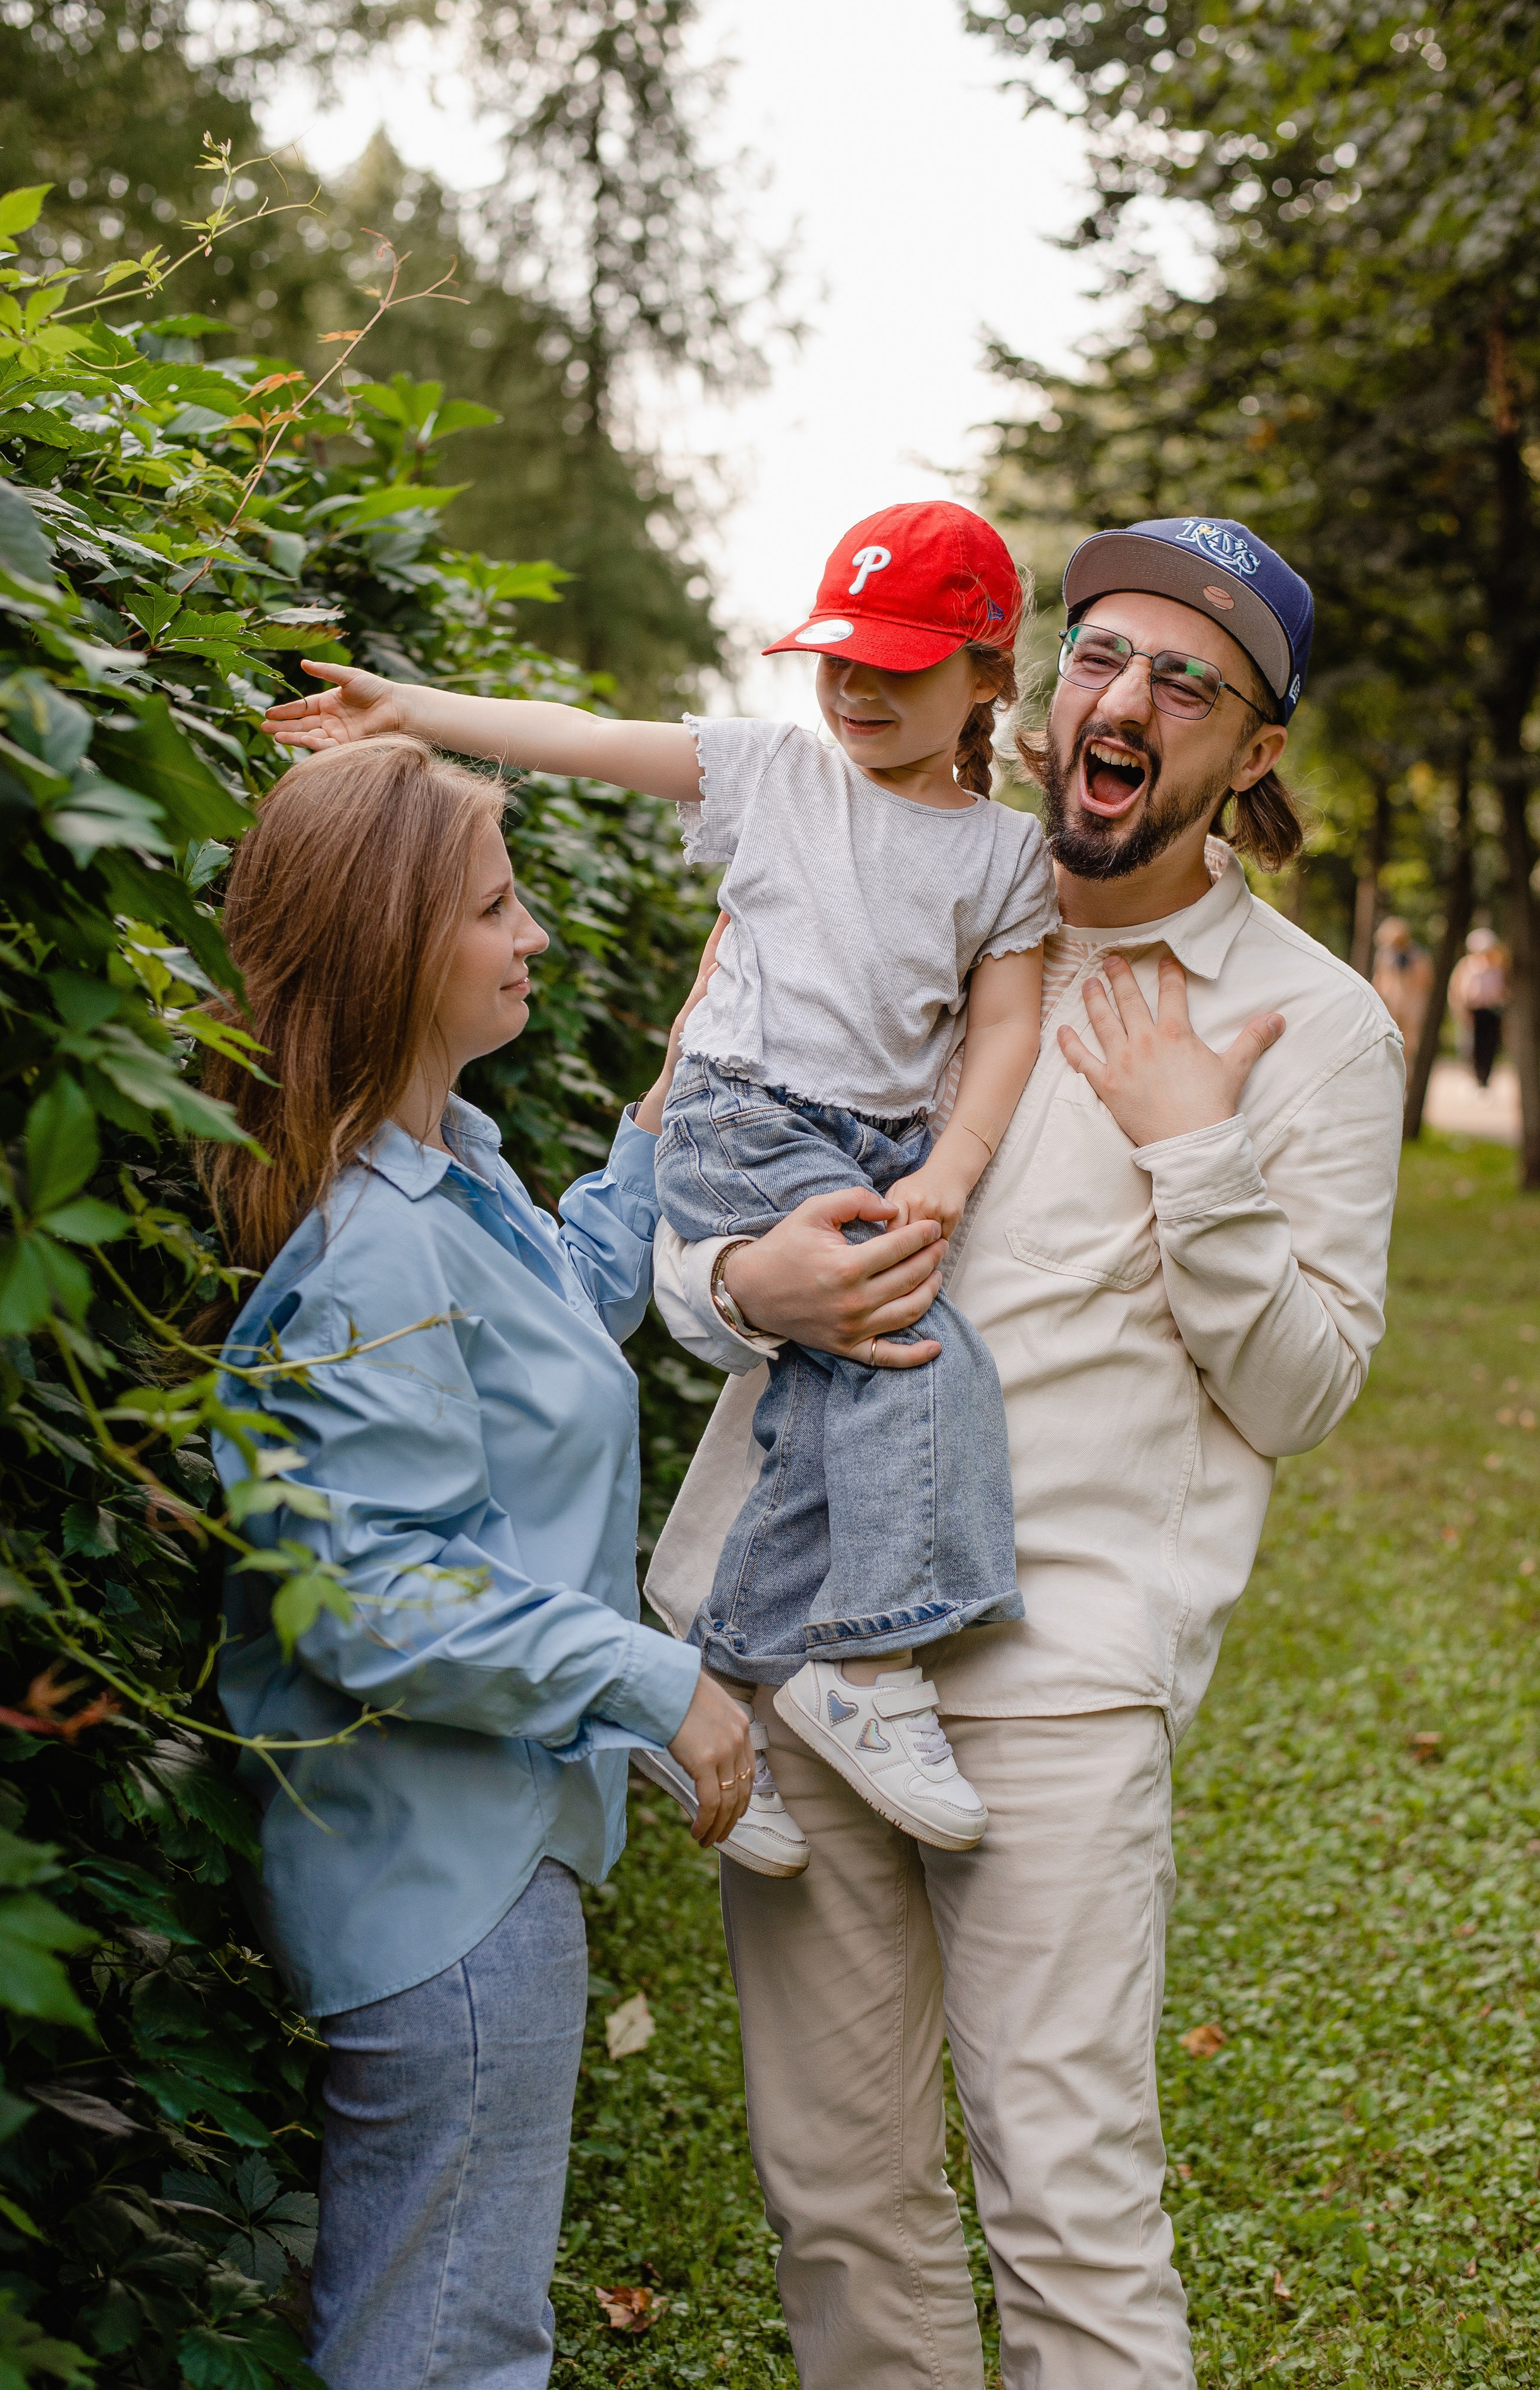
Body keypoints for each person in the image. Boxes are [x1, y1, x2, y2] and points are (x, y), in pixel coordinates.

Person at [648, 516, 1406, 2389]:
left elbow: (1303, 1392)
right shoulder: (871, 898)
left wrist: (1188, 1147)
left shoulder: (1307, 1027)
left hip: (1056, 1684)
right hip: (805, 1650)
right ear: (1034, 687)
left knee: (1065, 2201)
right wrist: (750, 1282)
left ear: (1251, 752)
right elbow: (666, 1236)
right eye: (1096, 653)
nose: (1121, 698)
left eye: (1185, 679)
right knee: (835, 2191)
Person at [261, 500, 1060, 1870]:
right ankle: (865, 1670)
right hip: (741, 1118)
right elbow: (584, 740)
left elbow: (1003, 1029)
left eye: (902, 663)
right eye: (838, 658)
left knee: (836, 1382)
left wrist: (948, 1168)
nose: (857, 688)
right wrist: (417, 713)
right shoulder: (774, 777)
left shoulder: (1003, 858)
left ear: (988, 674)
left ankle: (712, 1678)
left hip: (868, 1147)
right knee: (918, 1357)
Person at [202, 738, 753, 2390]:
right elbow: (376, 1595)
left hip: (475, 1860)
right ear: (396, 949)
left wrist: (663, 1103)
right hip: (450, 1898)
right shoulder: (378, 1248)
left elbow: (551, 1333)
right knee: (449, 2348)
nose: (533, 936)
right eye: (496, 906)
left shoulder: (448, 1172)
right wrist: (660, 1679)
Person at [1449, 924, 1510, 1087]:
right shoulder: (1467, 965)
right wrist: (1460, 1010)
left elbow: (1504, 990)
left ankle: (1484, 1079)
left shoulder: (1499, 966)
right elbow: (1457, 989)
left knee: (1490, 1045)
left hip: (1492, 1011)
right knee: (1471, 1045)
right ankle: (1474, 1076)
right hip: (1473, 1011)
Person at [1371, 912, 1433, 1066]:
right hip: (1390, 1004)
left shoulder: (1417, 955)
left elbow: (1426, 980)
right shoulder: (1385, 955)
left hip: (1411, 1006)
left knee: (1409, 1045)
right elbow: (1379, 978)